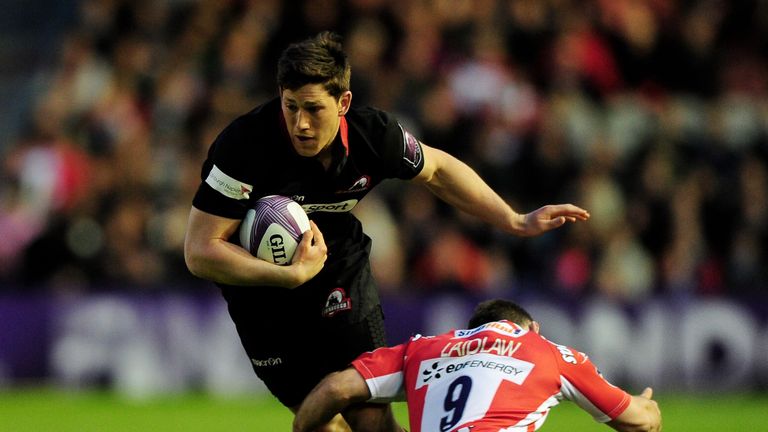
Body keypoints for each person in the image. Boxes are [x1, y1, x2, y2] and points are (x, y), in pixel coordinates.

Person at [184, 31, 590, 432]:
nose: (300, 124)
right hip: (260, 296)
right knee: (318, 419)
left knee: (370, 413)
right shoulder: (245, 145)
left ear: (343, 102)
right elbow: (200, 250)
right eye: (290, 107)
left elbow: (439, 170)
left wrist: (514, 219)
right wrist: (286, 275)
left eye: (313, 109)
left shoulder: (373, 136)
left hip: (339, 269)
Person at [293, 299, 662, 432]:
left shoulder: (422, 349)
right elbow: (637, 420)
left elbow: (336, 389)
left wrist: (302, 427)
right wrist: (650, 408)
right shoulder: (548, 352)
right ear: (533, 328)